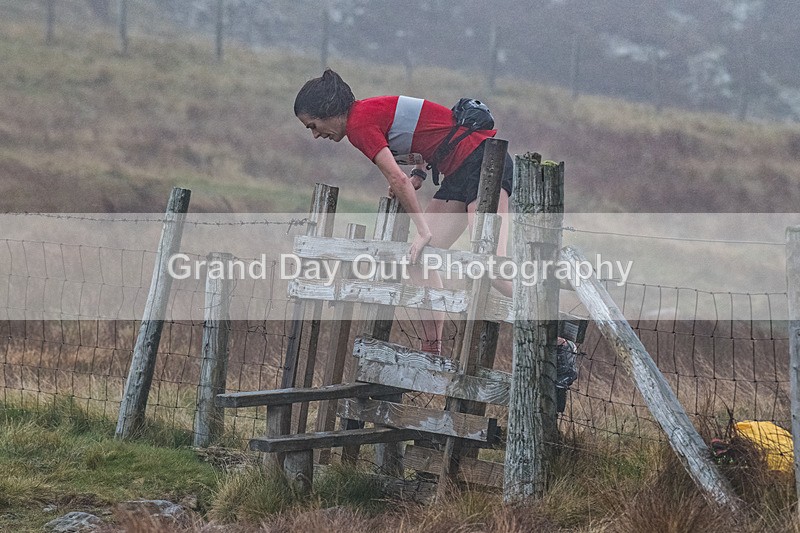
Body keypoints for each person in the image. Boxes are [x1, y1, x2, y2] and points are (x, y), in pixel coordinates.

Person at [294, 69, 514, 356]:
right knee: (418, 260)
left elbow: (397, 179)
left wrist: (423, 231)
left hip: (484, 162)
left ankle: (556, 336)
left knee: (492, 268)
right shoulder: (364, 114)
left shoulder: (359, 125)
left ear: (327, 111)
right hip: (459, 171)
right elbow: (425, 132)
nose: (314, 135)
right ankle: (432, 351)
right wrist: (419, 174)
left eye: (313, 125)